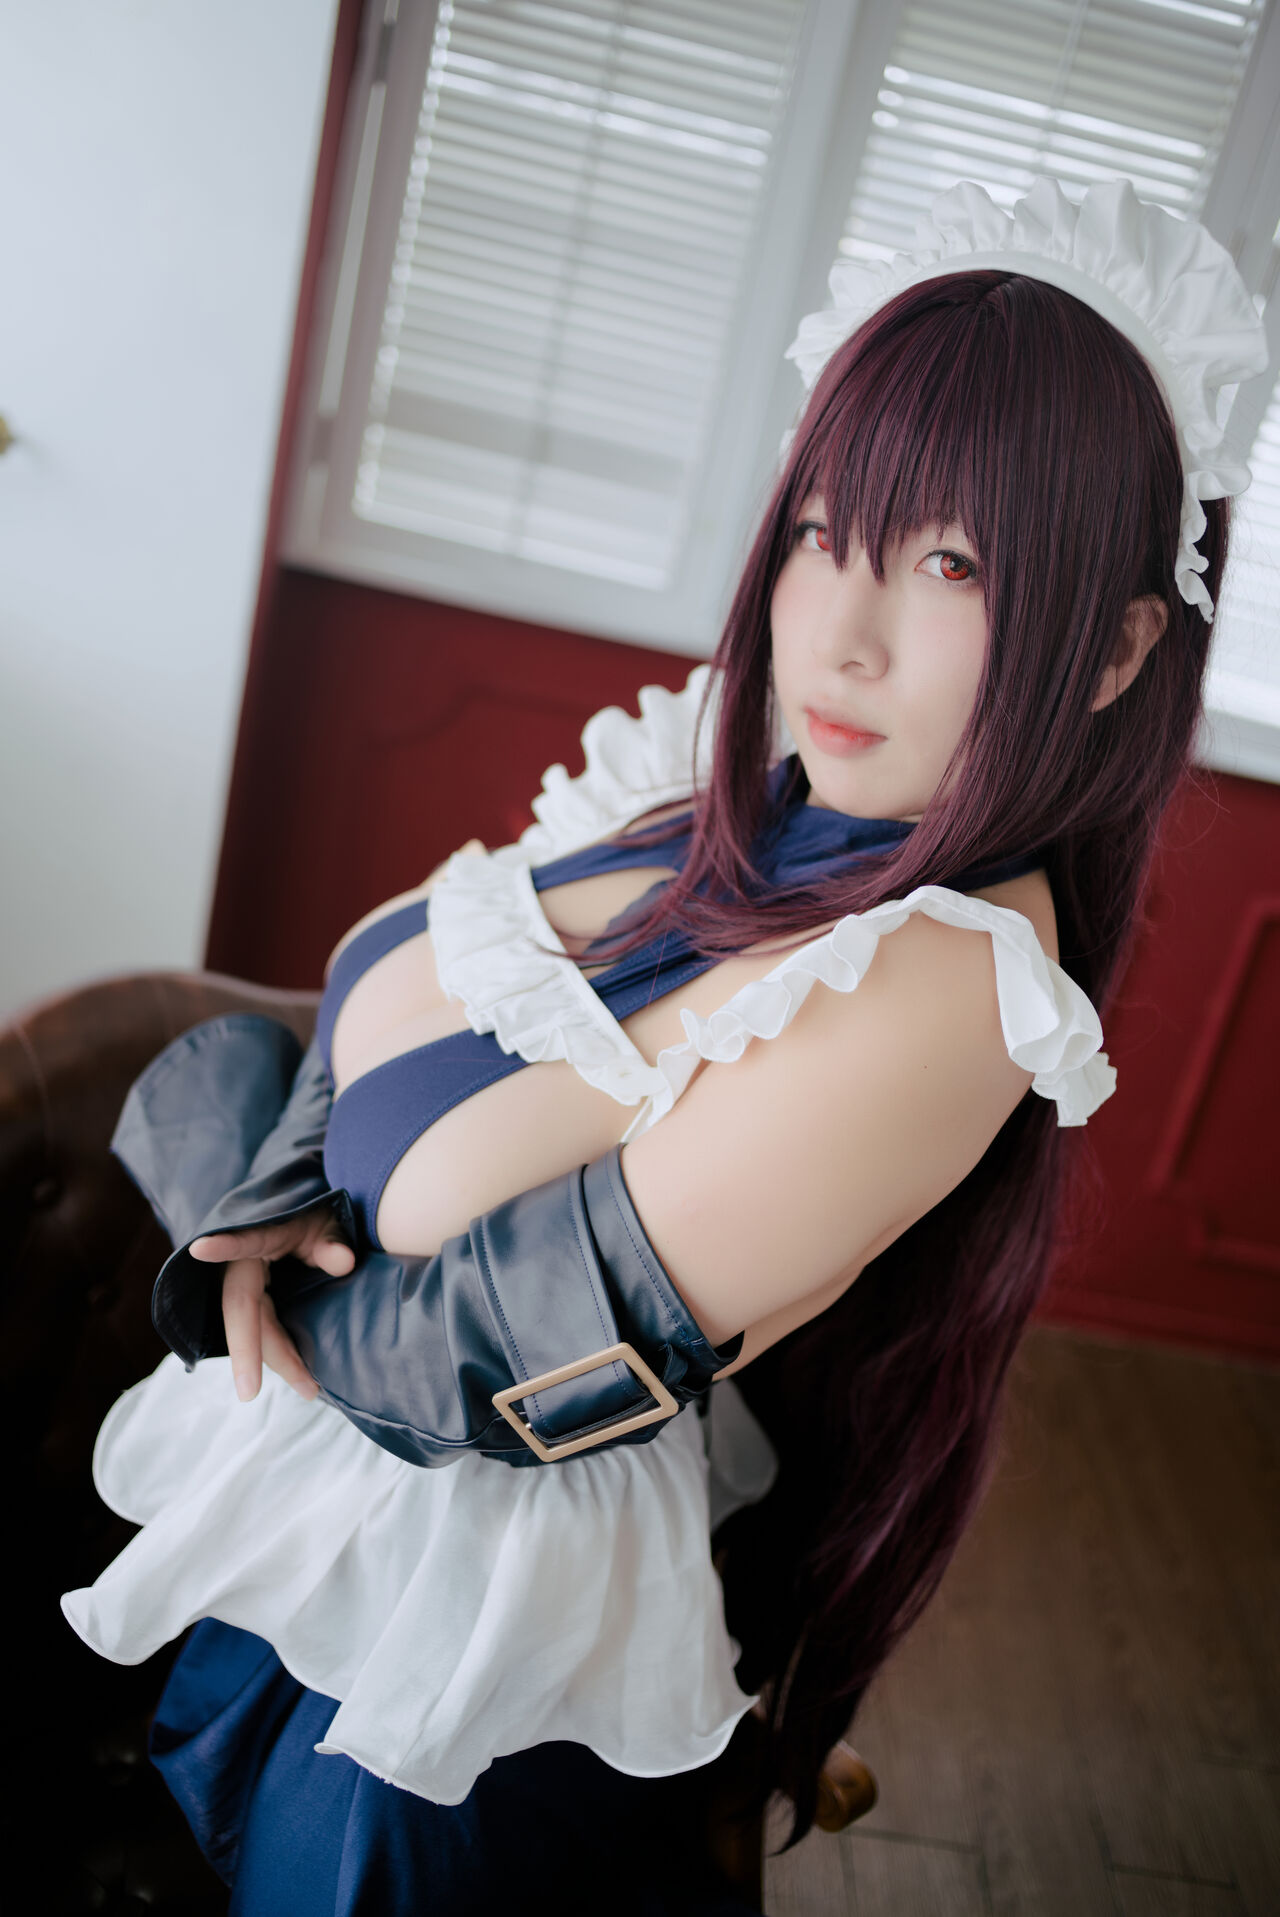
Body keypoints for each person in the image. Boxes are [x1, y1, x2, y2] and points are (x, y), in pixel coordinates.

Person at [62, 177, 1265, 1914]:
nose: (839, 629)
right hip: (333, 1554)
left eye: (953, 565)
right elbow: (379, 980)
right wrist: (270, 1192)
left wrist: (240, 1233)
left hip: (449, 1699)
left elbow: (486, 1360)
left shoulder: (953, 983)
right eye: (823, 529)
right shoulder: (743, 782)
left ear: (1118, 648)